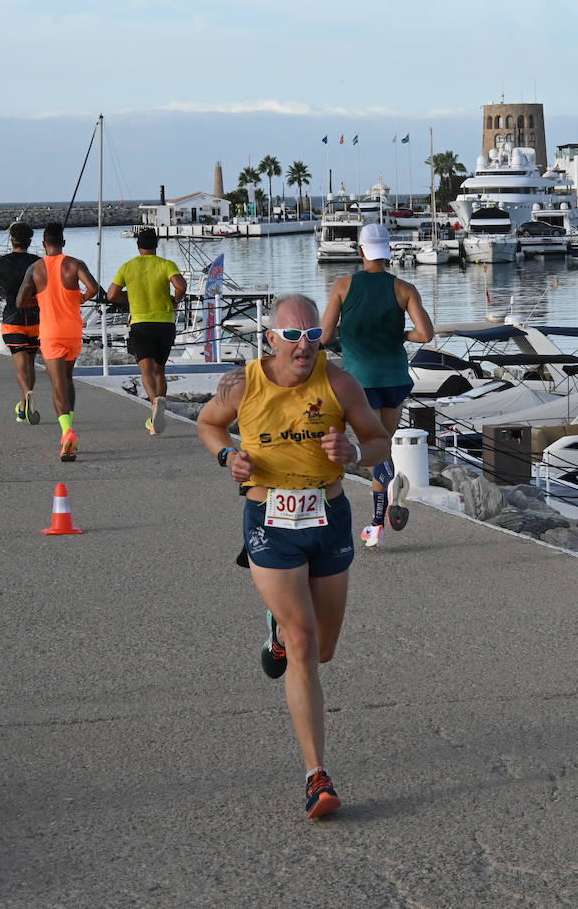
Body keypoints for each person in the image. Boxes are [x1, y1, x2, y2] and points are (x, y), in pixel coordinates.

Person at [197, 294, 390, 819]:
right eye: (291, 336)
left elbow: (379, 440)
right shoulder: (242, 384)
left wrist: (355, 453)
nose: (304, 345)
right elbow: (208, 423)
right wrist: (227, 455)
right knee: (304, 644)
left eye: (312, 334)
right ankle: (316, 775)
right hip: (270, 522)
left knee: (322, 649)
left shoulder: (339, 382)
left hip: (328, 518)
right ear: (270, 339)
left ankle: (277, 631)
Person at [320, 222, 434, 548]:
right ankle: (385, 509)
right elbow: (425, 334)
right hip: (395, 380)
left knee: (375, 451)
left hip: (361, 382)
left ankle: (377, 521)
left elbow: (324, 336)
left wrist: (342, 336)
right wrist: (401, 334)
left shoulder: (342, 286)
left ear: (361, 251)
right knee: (382, 444)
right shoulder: (404, 289)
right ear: (388, 252)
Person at [17, 222, 100, 462]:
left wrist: (41, 300)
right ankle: (69, 427)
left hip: (51, 332)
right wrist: (80, 299)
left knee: (57, 384)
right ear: (63, 243)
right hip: (73, 331)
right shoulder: (75, 264)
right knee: (68, 378)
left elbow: (21, 301)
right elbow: (93, 288)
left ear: (44, 244)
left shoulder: (35, 268)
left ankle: (67, 433)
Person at [106, 228, 186, 435]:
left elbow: (111, 295)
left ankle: (154, 405)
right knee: (160, 370)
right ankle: (160, 405)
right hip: (165, 324)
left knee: (146, 371)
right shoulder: (166, 264)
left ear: (138, 245)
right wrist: (175, 301)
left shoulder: (128, 267)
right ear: (156, 244)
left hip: (141, 324)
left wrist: (130, 296)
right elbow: (181, 286)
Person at [0, 222, 43, 424]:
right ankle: (24, 407)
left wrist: (6, 291)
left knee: (20, 366)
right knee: (30, 363)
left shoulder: (0, 263)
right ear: (30, 241)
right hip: (35, 320)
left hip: (12, 319)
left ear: (11, 240)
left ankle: (27, 394)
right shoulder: (38, 262)